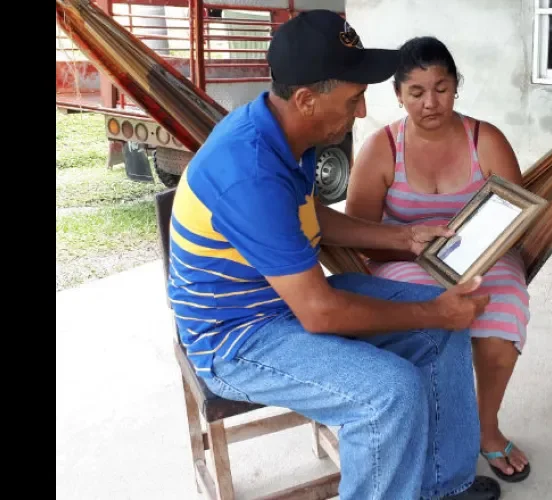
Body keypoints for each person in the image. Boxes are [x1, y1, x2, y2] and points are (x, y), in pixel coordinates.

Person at [166, 11, 501, 500]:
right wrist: (434, 307)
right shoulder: (250, 170)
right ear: (305, 99)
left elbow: (309, 216)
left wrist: (403, 239)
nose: (362, 112)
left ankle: (442, 486)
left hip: (284, 302)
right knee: (388, 394)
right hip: (236, 338)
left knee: (442, 331)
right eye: (353, 98)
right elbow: (320, 312)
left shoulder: (284, 133)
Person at [345, 36, 532, 483]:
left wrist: (482, 249)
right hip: (401, 255)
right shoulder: (382, 148)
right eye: (416, 92)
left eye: (442, 88)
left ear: (456, 87)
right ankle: (437, 431)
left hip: (486, 257)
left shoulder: (484, 140)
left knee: (501, 318)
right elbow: (360, 234)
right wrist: (410, 241)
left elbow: (518, 212)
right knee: (430, 324)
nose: (431, 102)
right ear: (398, 95)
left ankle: (486, 429)